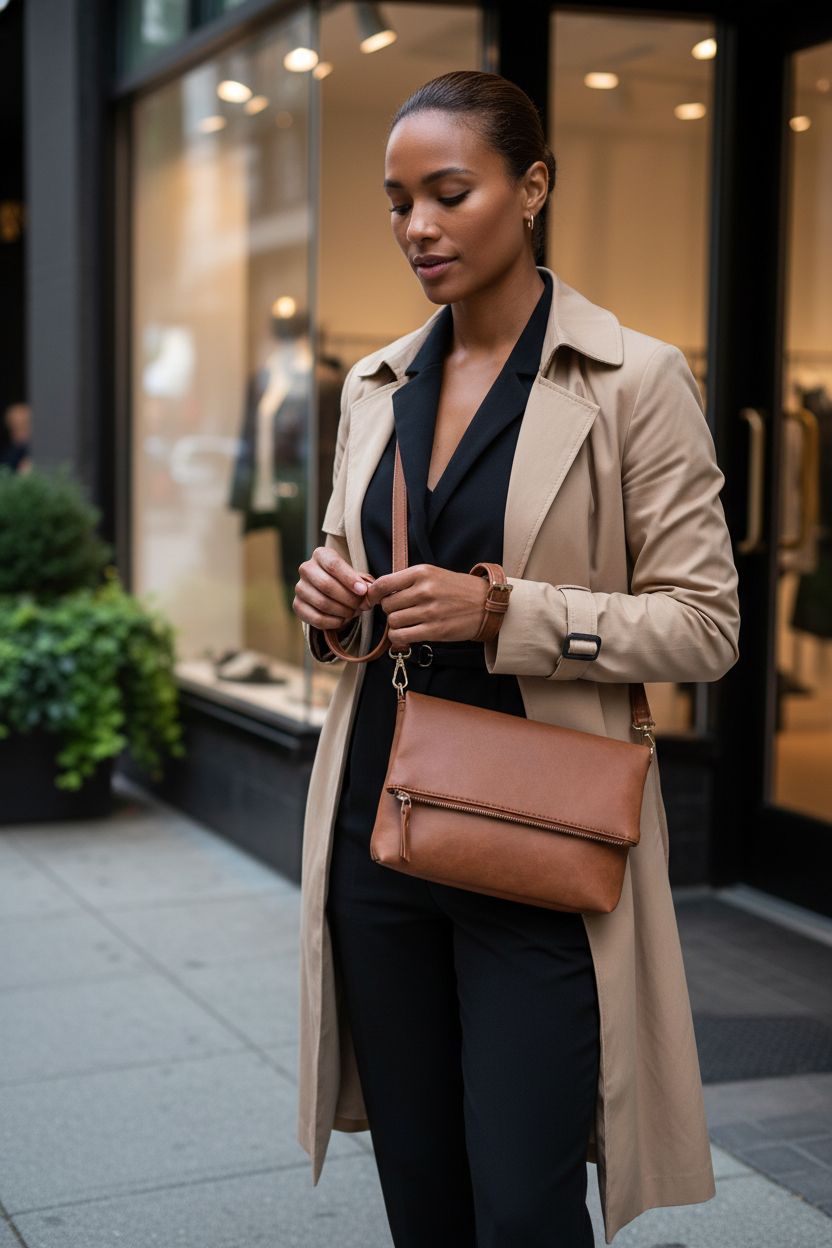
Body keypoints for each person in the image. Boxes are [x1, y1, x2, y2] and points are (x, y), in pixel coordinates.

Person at [292, 70, 740, 1246]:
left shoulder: (634, 379)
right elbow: (354, 577)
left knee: (526, 1204)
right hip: (380, 832)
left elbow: (705, 624)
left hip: (537, 838)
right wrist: (329, 602)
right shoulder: (374, 385)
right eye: (397, 203)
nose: (417, 228)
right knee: (422, 1193)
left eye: (449, 192)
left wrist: (507, 614)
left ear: (531, 187)